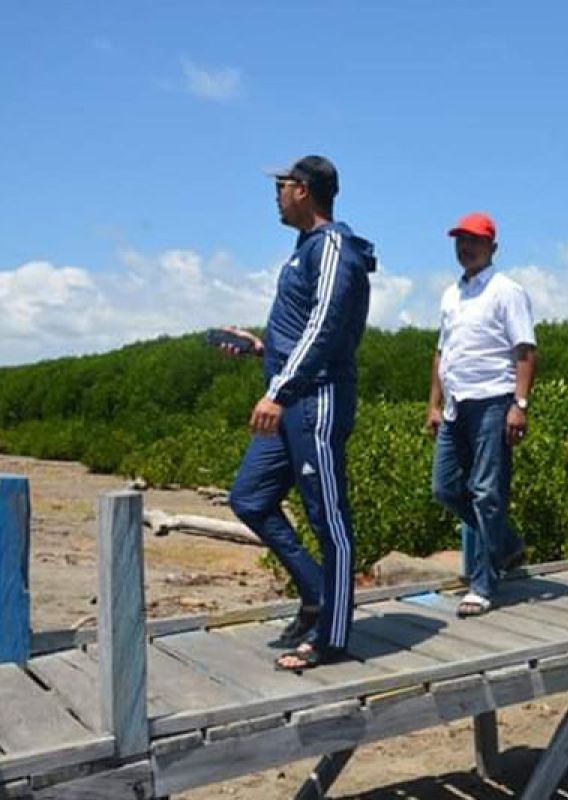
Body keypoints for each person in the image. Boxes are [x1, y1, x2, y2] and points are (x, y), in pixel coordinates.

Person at [225, 155, 375, 671]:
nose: (277, 193)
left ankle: (333, 638)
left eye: (282, 184)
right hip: (289, 395)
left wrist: (280, 389)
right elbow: (301, 330)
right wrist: (261, 348)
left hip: (316, 398)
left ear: (304, 190)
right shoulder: (304, 250)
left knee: (328, 517)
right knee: (249, 498)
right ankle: (315, 592)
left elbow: (328, 324)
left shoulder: (334, 245)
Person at [426, 212, 536, 618]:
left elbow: (525, 351)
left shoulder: (507, 291)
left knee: (488, 492)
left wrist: (519, 405)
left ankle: (484, 582)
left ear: (492, 247)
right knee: (445, 487)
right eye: (460, 240)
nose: (465, 246)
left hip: (493, 400)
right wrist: (434, 403)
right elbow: (442, 351)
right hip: (457, 404)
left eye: (473, 240)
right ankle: (506, 543)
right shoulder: (450, 294)